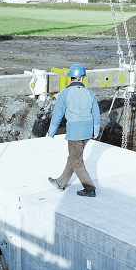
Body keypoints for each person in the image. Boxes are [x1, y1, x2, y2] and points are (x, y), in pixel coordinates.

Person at [47, 63, 101, 197]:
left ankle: (89, 188)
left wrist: (51, 131)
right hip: (87, 132)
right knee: (74, 156)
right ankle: (60, 182)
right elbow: (96, 114)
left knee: (77, 161)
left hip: (75, 132)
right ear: (82, 78)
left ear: (71, 78)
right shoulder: (90, 93)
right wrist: (95, 130)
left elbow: (57, 114)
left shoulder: (65, 94)